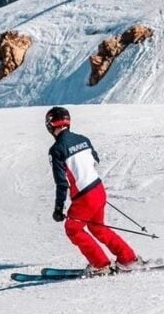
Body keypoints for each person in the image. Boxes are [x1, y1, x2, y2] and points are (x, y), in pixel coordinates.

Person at [46, 106, 139, 276]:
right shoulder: (83, 139)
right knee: (98, 228)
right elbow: (95, 159)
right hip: (98, 189)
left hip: (84, 197)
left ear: (51, 125)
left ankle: (100, 264)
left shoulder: (56, 150)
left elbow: (61, 184)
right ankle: (128, 259)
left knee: (73, 229)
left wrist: (59, 209)